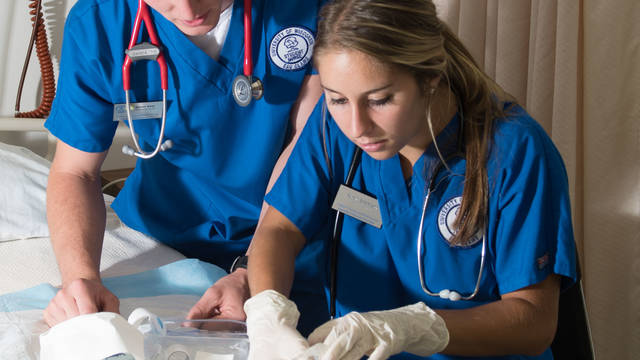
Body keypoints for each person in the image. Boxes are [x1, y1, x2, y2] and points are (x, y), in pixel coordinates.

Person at [243, 0, 579, 359]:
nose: (357, 127)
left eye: (381, 100)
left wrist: (414, 328)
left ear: (430, 76)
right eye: (338, 98)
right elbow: (279, 229)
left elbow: (534, 320)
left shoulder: (513, 152)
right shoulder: (331, 126)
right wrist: (267, 314)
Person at [42, 0, 329, 335]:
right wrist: (80, 277)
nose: (189, 8)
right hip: (160, 238)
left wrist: (255, 269)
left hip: (289, 231)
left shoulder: (309, 9)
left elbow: (305, 151)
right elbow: (76, 171)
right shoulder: (100, 21)